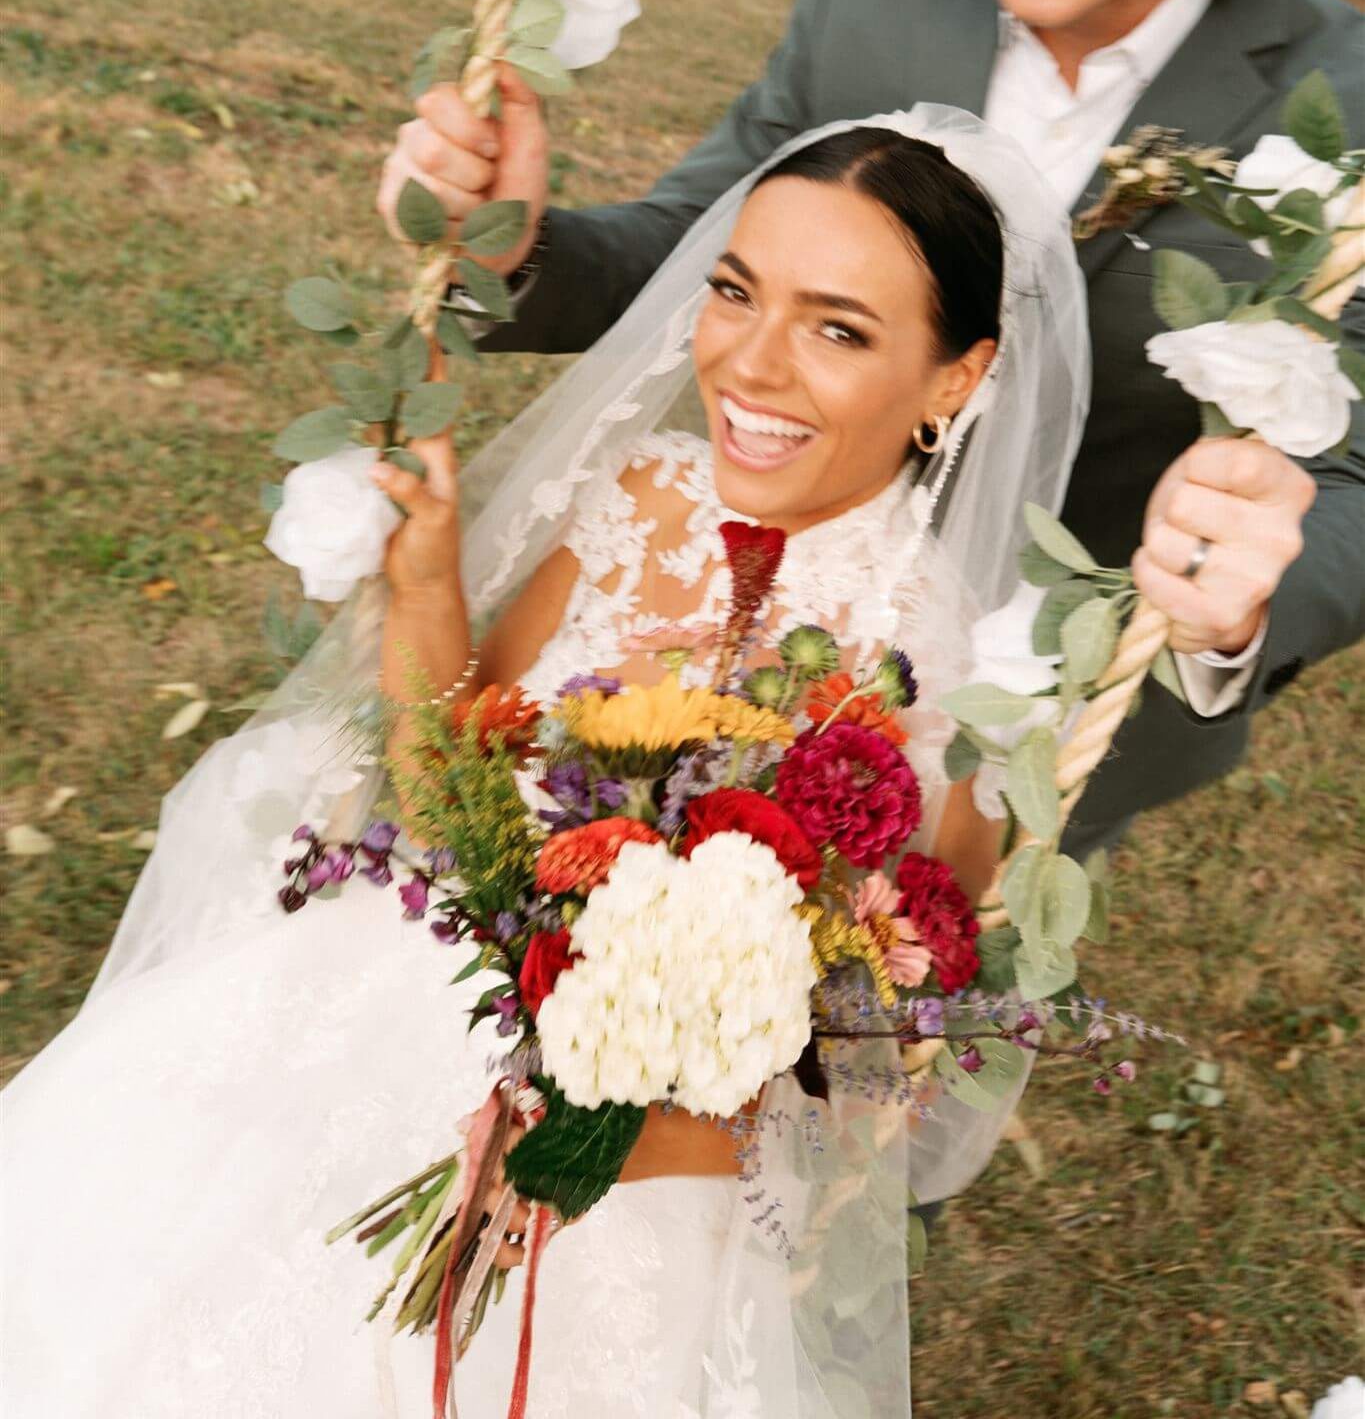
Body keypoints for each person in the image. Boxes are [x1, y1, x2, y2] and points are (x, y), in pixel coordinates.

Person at [1, 111, 1089, 1417]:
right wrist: (422, 580)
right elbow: (441, 786)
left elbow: (857, 1083)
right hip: (390, 982)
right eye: (734, 292)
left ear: (953, 379)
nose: (749, 361)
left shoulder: (949, 685)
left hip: (629, 1158)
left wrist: (577, 1132)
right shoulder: (638, 493)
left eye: (837, 328)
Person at [380, 0, 1365, 862]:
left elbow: (1351, 472)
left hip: (1052, 713)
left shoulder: (1339, 102)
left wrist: (1236, 607)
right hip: (758, 635)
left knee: (900, 1033)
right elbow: (697, 246)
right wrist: (518, 245)